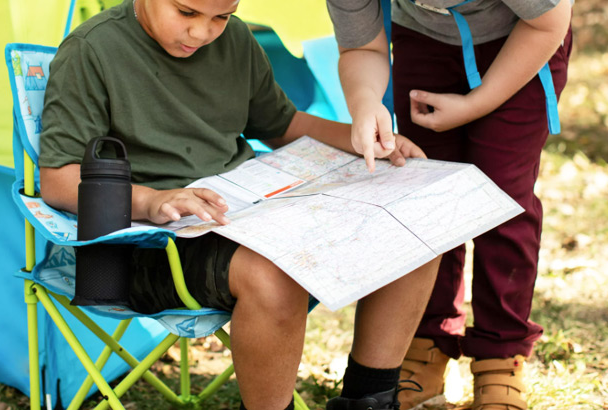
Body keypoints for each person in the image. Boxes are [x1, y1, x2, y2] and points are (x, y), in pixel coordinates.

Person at [38, 0, 442, 409]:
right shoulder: (91, 50)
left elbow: (283, 125)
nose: (203, 32)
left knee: (415, 226)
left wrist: (363, 136)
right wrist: (152, 200)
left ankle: (369, 398)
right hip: (147, 245)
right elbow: (57, 182)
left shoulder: (236, 38)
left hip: (242, 212)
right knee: (271, 273)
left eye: (221, 16)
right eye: (186, 12)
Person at [326, 0, 573, 409]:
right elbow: (362, 49)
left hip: (523, 41)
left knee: (501, 199)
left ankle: (500, 354)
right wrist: (365, 101)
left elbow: (549, 23)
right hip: (425, 42)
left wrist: (475, 105)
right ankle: (428, 340)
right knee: (428, 193)